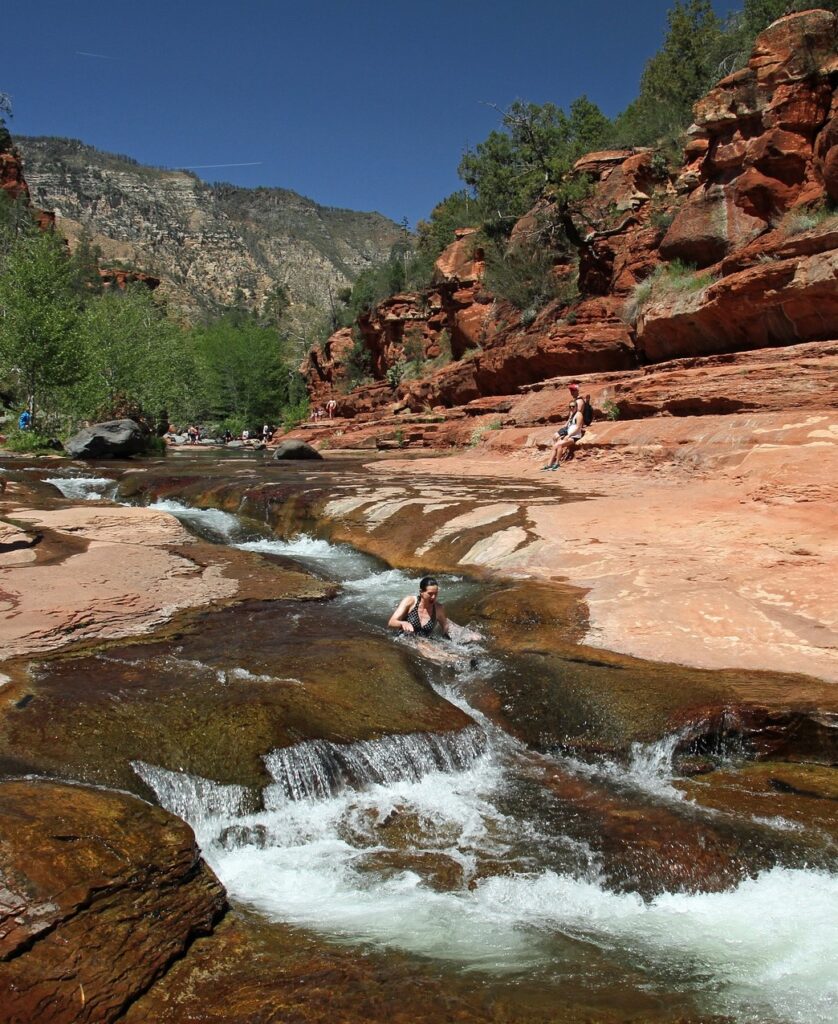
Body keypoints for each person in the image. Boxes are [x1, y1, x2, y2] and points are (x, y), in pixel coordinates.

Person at [542, 382, 585, 471]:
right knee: (556, 442)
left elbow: (578, 426)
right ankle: (550, 464)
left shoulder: (579, 408)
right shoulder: (574, 409)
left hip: (574, 435)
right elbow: (571, 419)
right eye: (570, 407)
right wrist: (566, 426)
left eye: (573, 406)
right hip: (570, 431)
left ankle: (557, 463)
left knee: (559, 444)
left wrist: (568, 435)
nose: (572, 408)